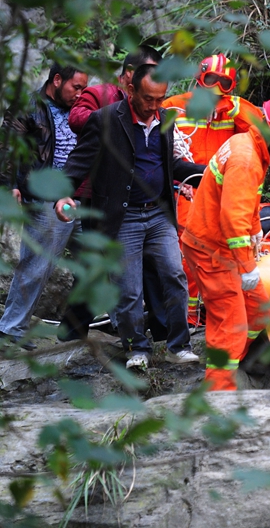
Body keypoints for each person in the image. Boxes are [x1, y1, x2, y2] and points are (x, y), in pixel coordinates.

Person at [55, 64, 205, 369]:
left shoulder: (164, 119)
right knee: (129, 287)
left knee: (174, 275)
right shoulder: (106, 120)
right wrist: (64, 193)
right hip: (125, 217)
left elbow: (168, 165)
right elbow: (79, 161)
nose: (154, 106)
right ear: (132, 90)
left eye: (160, 99)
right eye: (148, 99)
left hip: (159, 215)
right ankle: (137, 348)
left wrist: (207, 172)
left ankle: (179, 346)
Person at [181, 95, 270, 391]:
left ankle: (238, 365)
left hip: (221, 246)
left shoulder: (251, 146)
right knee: (230, 323)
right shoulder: (247, 159)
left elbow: (246, 204)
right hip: (211, 250)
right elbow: (233, 218)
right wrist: (246, 266)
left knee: (257, 311)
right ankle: (219, 393)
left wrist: (255, 231)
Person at [59, 45, 166, 343]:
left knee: (152, 264)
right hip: (100, 196)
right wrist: (115, 117)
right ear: (130, 76)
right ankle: (72, 329)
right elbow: (76, 117)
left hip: (139, 200)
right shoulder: (101, 95)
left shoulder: (153, 108)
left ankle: (159, 329)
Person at [162, 53, 263, 328]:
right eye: (211, 82)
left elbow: (262, 131)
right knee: (186, 265)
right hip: (183, 195)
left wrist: (232, 107)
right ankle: (188, 320)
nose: (215, 90)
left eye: (224, 85)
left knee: (219, 261)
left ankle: (206, 316)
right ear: (199, 80)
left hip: (219, 198)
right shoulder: (175, 107)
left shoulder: (233, 111)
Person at [0, 62, 88, 350]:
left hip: (79, 195)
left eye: (84, 88)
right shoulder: (29, 105)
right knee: (38, 264)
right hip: (44, 196)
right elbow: (8, 147)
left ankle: (76, 330)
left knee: (96, 260)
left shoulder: (81, 109)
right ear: (58, 80)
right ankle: (12, 327)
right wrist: (9, 185)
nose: (80, 93)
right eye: (76, 87)